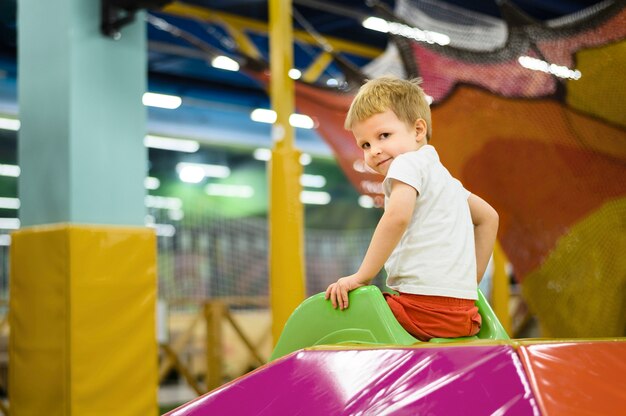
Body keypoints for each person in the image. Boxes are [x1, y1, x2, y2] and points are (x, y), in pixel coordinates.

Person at [325, 76, 499, 341]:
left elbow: (396, 218)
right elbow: (489, 217)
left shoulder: (406, 164)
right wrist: (469, 282)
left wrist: (362, 276)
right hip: (465, 316)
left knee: (339, 316)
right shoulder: (446, 181)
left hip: (421, 311)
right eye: (365, 144)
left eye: (384, 135)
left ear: (418, 131)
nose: (374, 151)